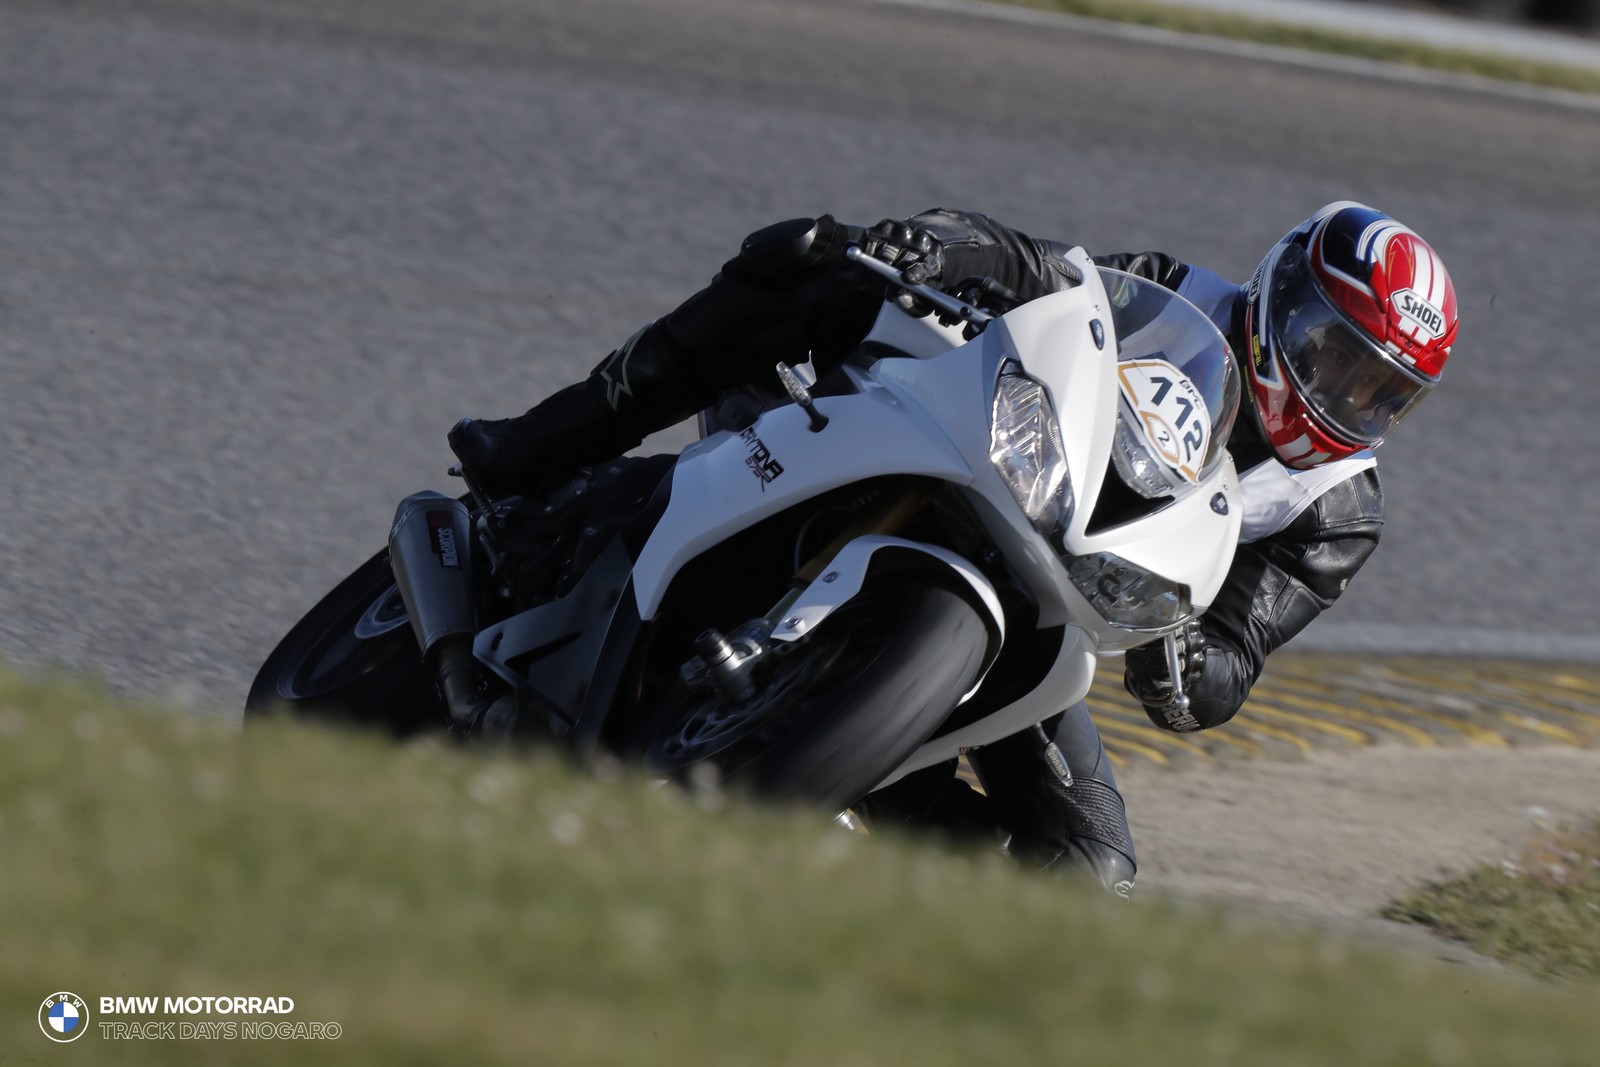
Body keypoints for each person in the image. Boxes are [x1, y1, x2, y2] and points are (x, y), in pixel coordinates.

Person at [448, 204, 1459, 896]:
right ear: (1283, 300)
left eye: (1380, 392)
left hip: (1061, 616)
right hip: (995, 476)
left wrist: (1187, 663)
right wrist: (937, 246)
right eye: (1334, 356)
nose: (1345, 397)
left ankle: (849, 840)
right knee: (815, 263)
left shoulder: (1336, 509)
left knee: (1091, 872)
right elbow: (1042, 272)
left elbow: (1235, 659)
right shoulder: (1176, 294)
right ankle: (539, 446)